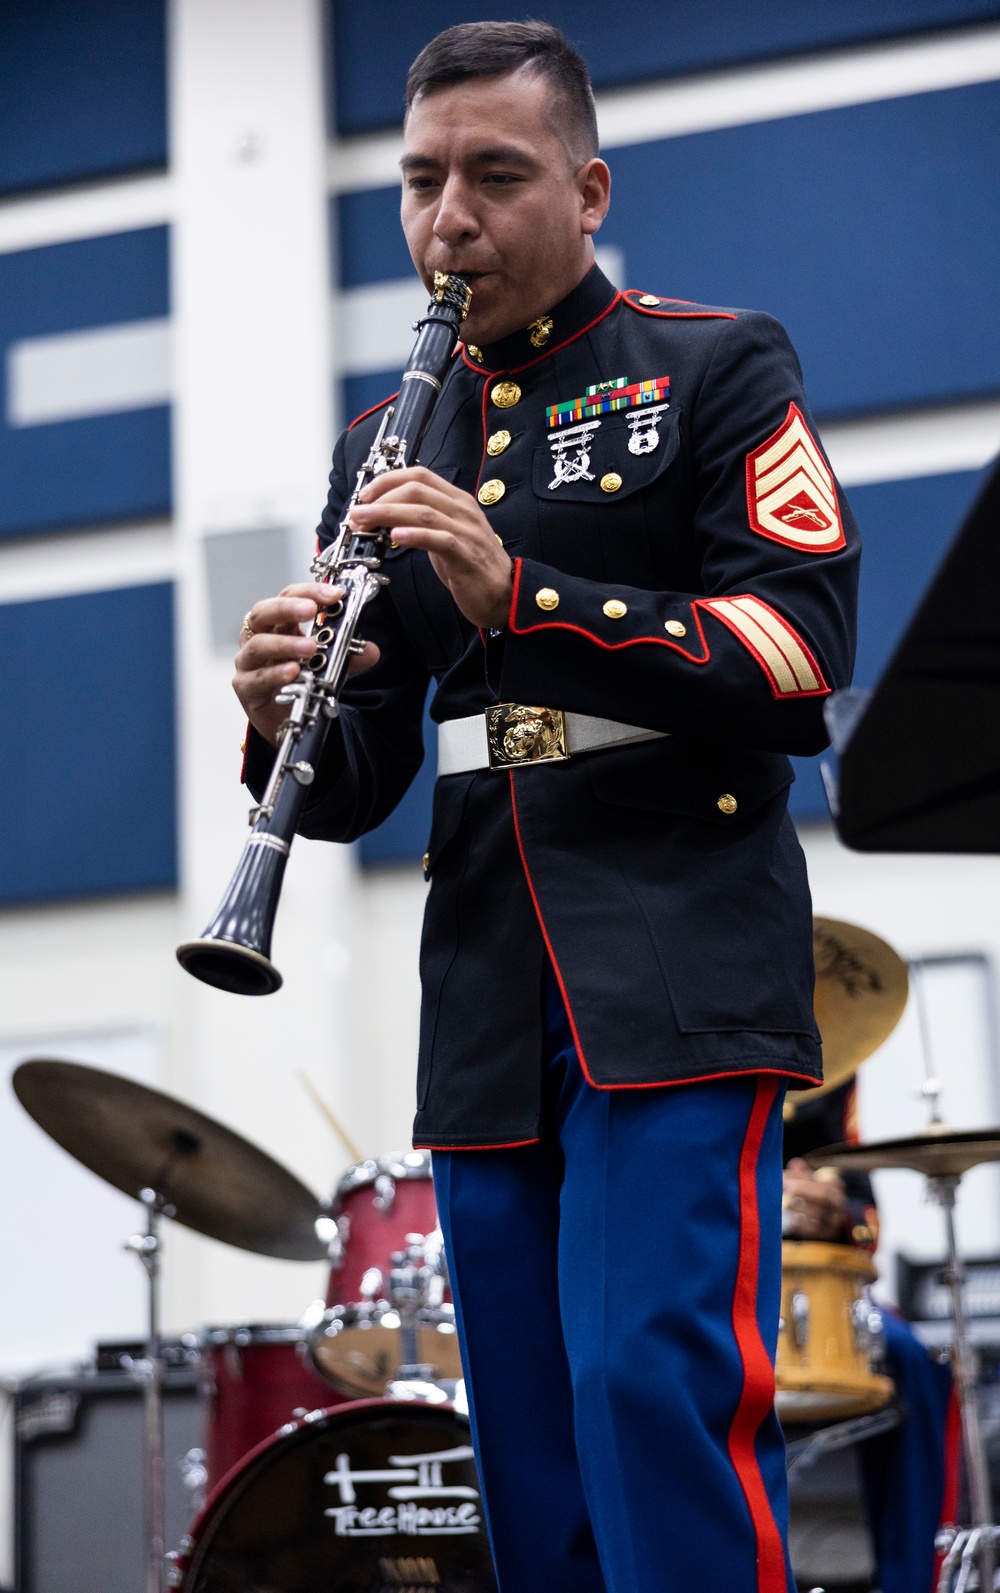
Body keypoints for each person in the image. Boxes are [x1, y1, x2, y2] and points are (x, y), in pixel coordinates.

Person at [234, 22, 860, 1592]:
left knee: (646, 1384)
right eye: (422, 181)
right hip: (485, 980)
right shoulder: (382, 441)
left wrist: (528, 594)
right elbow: (366, 757)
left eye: (497, 177)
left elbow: (801, 653)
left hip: (676, 957)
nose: (451, 218)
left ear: (585, 190)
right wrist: (275, 732)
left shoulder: (717, 362)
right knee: (522, 1434)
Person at [783, 1084, 958, 1593]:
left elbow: (864, 1217)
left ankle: (912, 1579)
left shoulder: (829, 1057)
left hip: (811, 1292)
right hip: (706, 1283)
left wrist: (830, 1214)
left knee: (914, 1360)